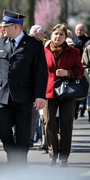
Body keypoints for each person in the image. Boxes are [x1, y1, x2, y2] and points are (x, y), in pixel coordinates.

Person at [0, 10, 48, 166]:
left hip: (24, 97)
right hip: (2, 96)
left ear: (16, 26)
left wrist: (40, 95)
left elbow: (41, 72)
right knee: (1, 128)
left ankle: (19, 166)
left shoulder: (34, 44)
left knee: (22, 135)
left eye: (5, 27)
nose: (3, 30)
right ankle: (13, 155)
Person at [44, 24, 84, 167]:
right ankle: (53, 153)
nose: (58, 37)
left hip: (67, 91)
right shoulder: (45, 51)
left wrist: (68, 73)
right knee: (49, 123)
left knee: (66, 124)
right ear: (51, 35)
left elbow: (80, 71)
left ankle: (64, 156)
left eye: (61, 34)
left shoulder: (73, 52)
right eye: (55, 34)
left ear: (65, 37)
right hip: (49, 92)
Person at [73, 23, 90, 119]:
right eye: (78, 30)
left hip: (85, 67)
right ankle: (76, 109)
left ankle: (83, 108)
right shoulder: (73, 41)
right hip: (75, 67)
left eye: (81, 30)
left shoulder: (88, 41)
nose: (79, 31)